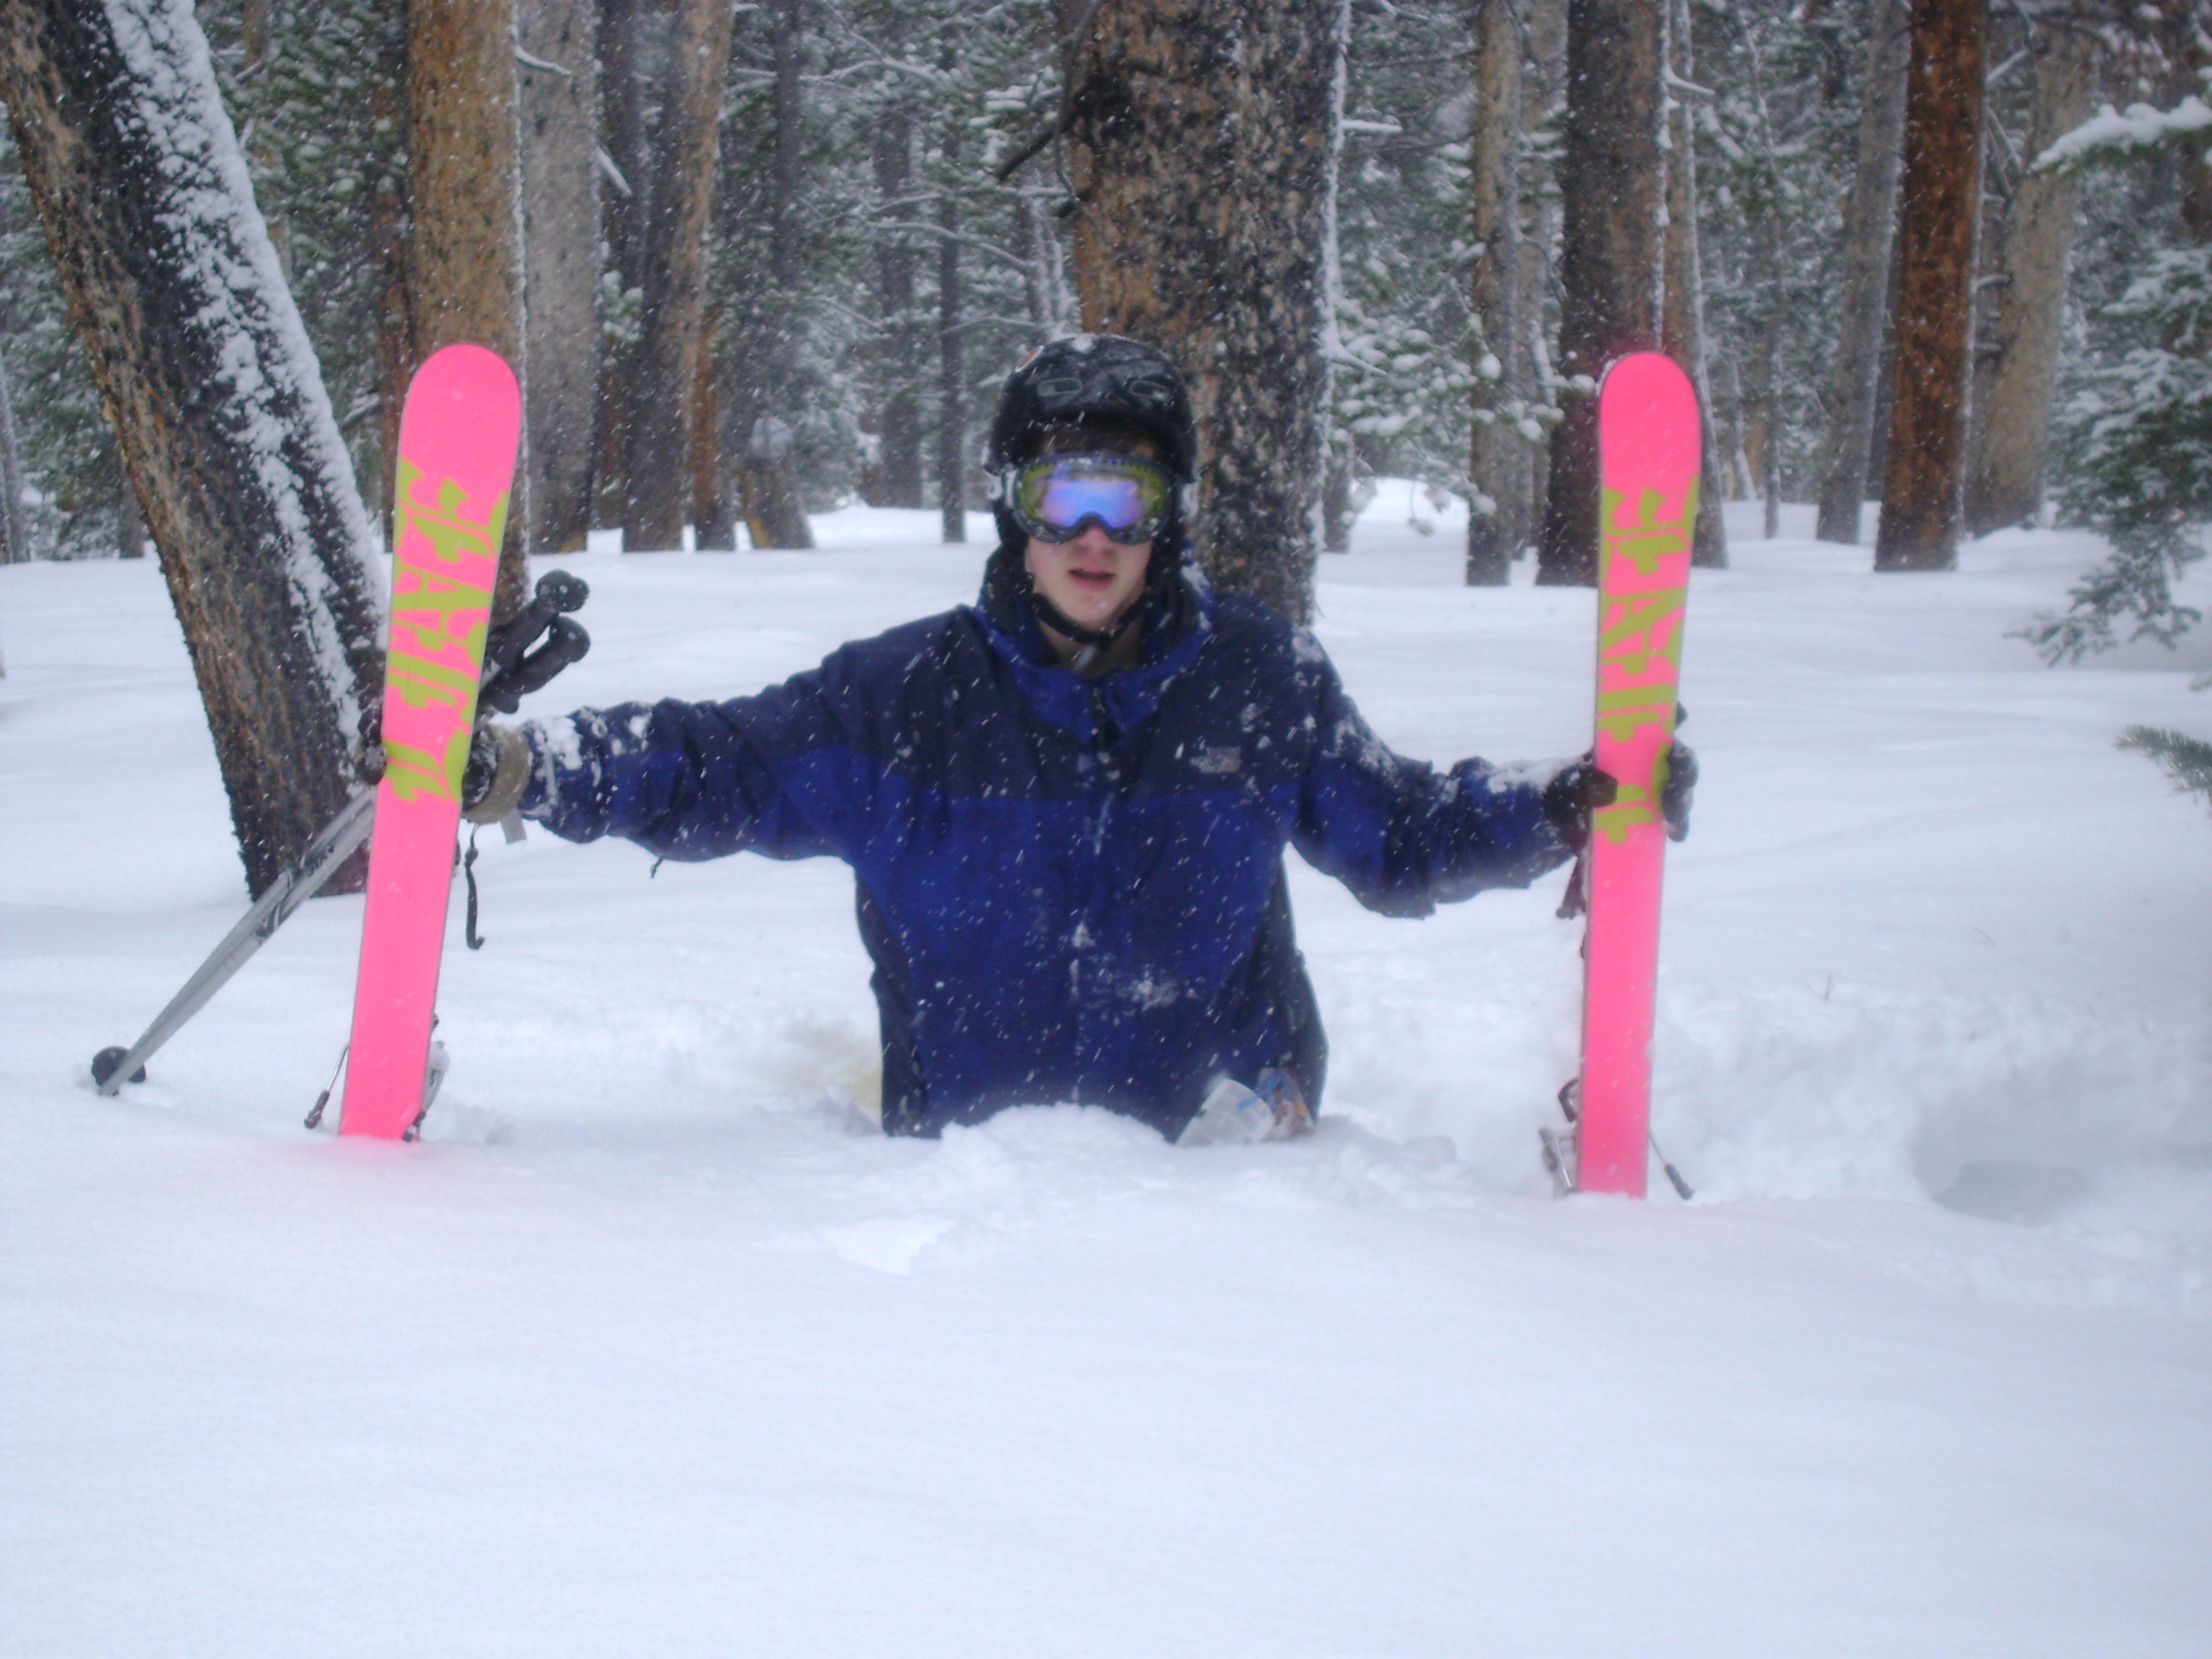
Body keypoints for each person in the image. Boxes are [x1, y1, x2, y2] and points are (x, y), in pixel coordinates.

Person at [458, 335, 1694, 1141]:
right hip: (970, 1217)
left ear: (1171, 520)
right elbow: (715, 765)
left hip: (1238, 1196)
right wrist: (530, 768)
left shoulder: (1257, 681)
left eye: (1130, 499)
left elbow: (1405, 838)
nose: (1094, 535)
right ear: (1016, 509)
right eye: (1065, 496)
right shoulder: (905, 699)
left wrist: (1557, 807)